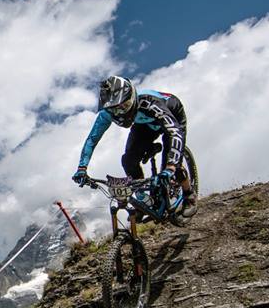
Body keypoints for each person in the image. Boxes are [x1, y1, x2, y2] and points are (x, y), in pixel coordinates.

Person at [72, 75, 196, 215]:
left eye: (123, 106)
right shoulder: (106, 113)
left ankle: (189, 195)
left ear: (132, 97)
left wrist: (171, 166)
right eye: (115, 109)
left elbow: (174, 132)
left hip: (172, 116)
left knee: (172, 164)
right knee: (128, 161)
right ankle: (144, 201)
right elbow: (92, 140)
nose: (120, 112)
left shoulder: (149, 102)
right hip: (144, 124)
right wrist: (82, 167)